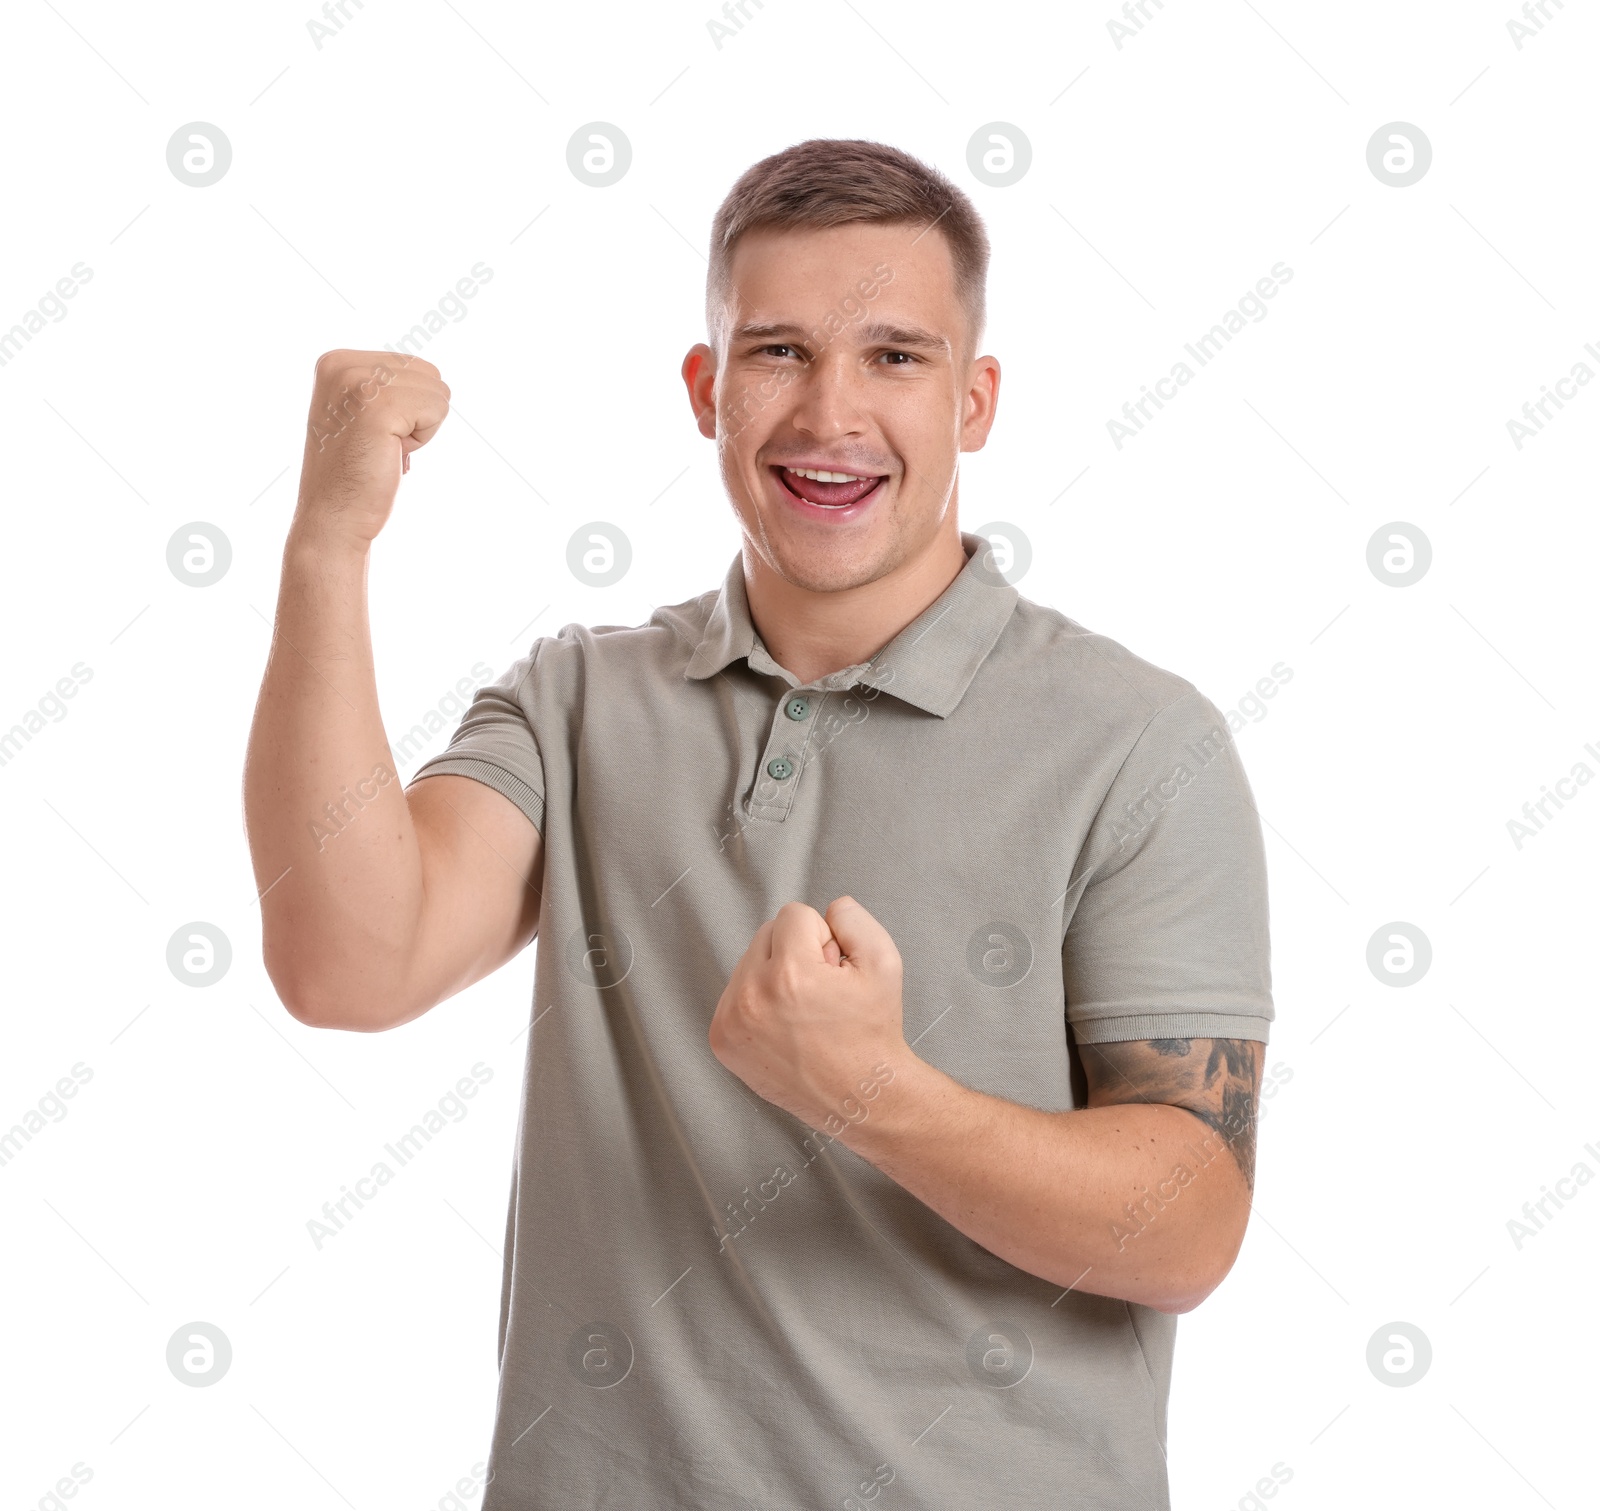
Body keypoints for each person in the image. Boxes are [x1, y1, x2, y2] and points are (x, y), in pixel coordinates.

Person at [244, 136, 1274, 1510]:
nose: (829, 414)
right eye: (778, 352)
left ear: (975, 402)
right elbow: (347, 965)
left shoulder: (1139, 742)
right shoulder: (578, 700)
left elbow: (1189, 1225)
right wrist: (328, 543)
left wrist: (876, 1094)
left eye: (896, 358)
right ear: (706, 389)